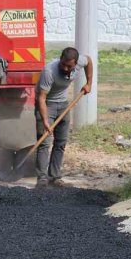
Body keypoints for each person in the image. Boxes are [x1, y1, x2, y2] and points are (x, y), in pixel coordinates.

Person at [34, 47, 93, 188]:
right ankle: (42, 178)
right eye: (63, 64)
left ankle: (54, 177)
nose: (65, 68)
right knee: (44, 142)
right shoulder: (49, 71)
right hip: (47, 104)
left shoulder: (80, 61)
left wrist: (89, 83)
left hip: (63, 105)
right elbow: (41, 98)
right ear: (60, 59)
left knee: (60, 142)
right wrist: (45, 120)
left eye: (69, 66)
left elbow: (89, 61)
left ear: (76, 63)